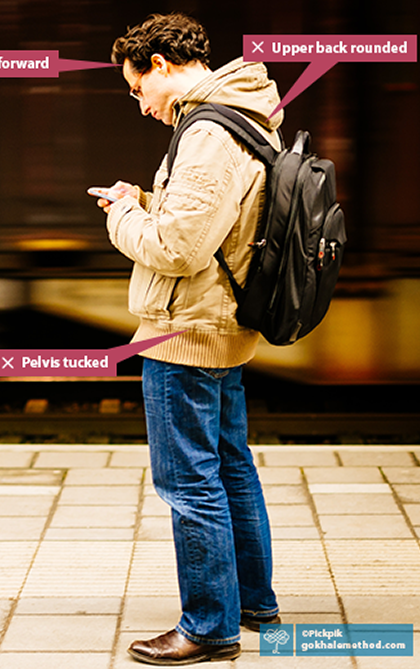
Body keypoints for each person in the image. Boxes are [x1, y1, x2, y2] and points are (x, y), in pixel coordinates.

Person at [95, 12, 283, 665]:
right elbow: (212, 220)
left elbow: (179, 246)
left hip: (185, 334)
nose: (139, 103)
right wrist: (144, 197)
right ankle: (253, 603)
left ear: (163, 65)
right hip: (219, 321)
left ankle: (208, 624)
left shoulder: (206, 131)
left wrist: (122, 216)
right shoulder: (241, 114)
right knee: (230, 465)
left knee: (189, 480)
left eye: (136, 87)